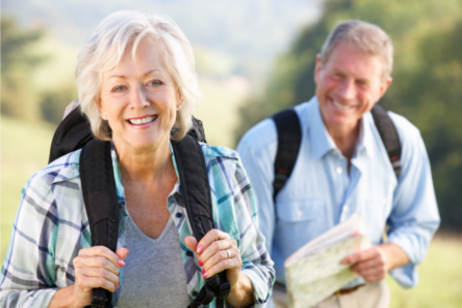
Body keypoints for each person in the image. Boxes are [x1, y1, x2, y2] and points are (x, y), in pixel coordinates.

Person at [0, 10, 274, 308]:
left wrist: (236, 282)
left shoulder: (224, 171)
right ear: (100, 104)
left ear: (179, 93)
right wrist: (73, 297)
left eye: (155, 82)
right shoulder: (51, 189)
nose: (139, 100)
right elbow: (10, 299)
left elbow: (260, 273)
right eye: (119, 87)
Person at [237, 20, 440, 308]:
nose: (346, 93)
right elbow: (250, 263)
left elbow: (417, 225)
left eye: (362, 83)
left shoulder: (402, 140)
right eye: (338, 75)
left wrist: (389, 255)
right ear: (319, 69)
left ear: (382, 88)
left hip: (369, 300)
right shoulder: (263, 147)